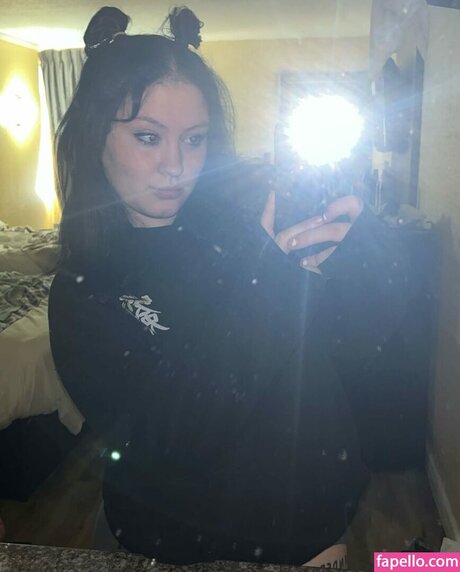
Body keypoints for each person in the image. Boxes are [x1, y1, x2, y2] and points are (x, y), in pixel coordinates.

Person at [49, 6, 411, 566]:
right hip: (181, 546)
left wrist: (366, 256)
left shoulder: (251, 231)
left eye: (194, 139)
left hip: (315, 537)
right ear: (95, 137)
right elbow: (171, 435)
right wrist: (268, 296)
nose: (176, 164)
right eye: (148, 137)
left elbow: (356, 351)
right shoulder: (84, 289)